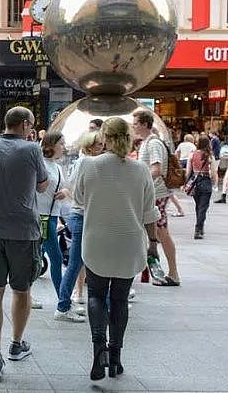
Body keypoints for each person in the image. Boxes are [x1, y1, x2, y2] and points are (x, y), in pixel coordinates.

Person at [72, 117, 161, 381]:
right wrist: (153, 243)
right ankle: (116, 356)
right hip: (129, 242)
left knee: (96, 295)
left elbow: (78, 199)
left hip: (97, 240)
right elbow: (149, 212)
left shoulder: (88, 165)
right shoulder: (141, 170)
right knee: (120, 299)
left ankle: (99, 348)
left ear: (103, 137)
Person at [0, 107, 49, 381]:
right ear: (25, 125)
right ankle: (16, 343)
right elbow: (42, 185)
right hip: (24, 232)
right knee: (22, 290)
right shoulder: (32, 150)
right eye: (32, 125)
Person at [54, 130, 103, 322]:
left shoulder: (83, 162)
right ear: (90, 146)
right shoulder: (87, 162)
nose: (102, 147)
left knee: (78, 263)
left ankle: (66, 304)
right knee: (78, 263)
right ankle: (64, 305)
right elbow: (79, 188)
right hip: (82, 215)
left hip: (80, 214)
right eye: (99, 144)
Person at [131, 111, 180, 287]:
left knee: (161, 232)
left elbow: (156, 169)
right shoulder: (146, 143)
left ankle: (173, 273)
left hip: (157, 193)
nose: (133, 126)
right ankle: (152, 271)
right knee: (157, 232)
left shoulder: (153, 144)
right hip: (152, 193)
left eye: (136, 123)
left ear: (145, 124)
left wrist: (139, 182)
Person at [36, 132, 70, 308]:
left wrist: (64, 192)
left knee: (38, 255)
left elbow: (64, 187)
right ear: (52, 145)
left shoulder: (55, 165)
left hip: (51, 215)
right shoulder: (41, 163)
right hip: (42, 216)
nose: (64, 147)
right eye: (61, 143)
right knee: (55, 258)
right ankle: (63, 302)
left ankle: (63, 300)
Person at [185, 137, 214, 239]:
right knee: (203, 207)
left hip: (195, 182)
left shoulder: (192, 154)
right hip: (206, 181)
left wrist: (186, 182)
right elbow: (214, 172)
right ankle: (198, 228)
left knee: (198, 206)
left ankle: (200, 227)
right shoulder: (209, 155)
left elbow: (188, 172)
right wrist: (214, 182)